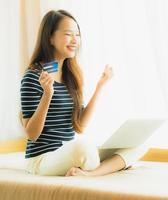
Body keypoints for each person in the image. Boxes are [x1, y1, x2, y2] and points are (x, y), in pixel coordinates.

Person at [20, 9, 137, 176]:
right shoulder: (33, 76)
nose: (75, 40)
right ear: (50, 38)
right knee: (84, 148)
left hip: (68, 152)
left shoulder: (71, 75)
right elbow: (32, 134)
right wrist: (47, 95)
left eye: (78, 34)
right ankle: (111, 165)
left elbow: (79, 125)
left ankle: (88, 174)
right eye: (69, 34)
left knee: (136, 144)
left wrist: (100, 86)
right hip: (42, 159)